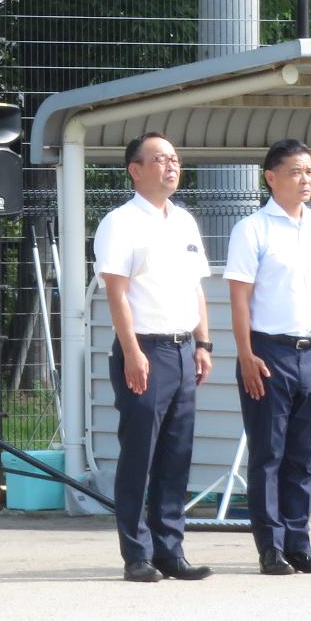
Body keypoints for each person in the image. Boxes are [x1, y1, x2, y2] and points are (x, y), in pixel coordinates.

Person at [93, 134, 214, 583]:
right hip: (144, 350)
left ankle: (170, 549)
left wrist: (204, 344)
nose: (170, 167)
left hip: (183, 349)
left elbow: (196, 287)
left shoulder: (183, 221)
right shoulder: (120, 223)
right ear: (135, 170)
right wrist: (131, 351)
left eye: (175, 159)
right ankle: (137, 553)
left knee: (176, 456)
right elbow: (116, 292)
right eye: (159, 160)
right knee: (139, 454)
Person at [225, 138, 311, 576]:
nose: (306, 179)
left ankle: (300, 543)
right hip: (268, 351)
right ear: (271, 177)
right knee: (269, 454)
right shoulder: (252, 229)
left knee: (302, 456)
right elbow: (239, 298)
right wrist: (245, 354)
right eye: (296, 171)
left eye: (310, 171)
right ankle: (270, 547)